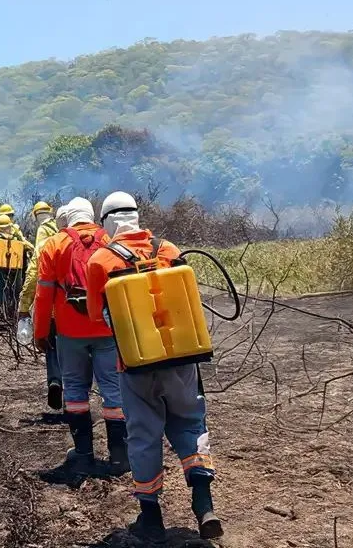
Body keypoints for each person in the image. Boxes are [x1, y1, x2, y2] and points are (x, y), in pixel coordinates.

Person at [85, 191, 222, 541]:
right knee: (190, 425)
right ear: (136, 215)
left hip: (135, 366)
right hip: (181, 361)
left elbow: (95, 317)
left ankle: (151, 518)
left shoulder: (101, 260)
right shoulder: (169, 250)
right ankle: (205, 507)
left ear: (107, 223)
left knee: (144, 437)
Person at [32, 197, 128, 474]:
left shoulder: (54, 244)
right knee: (113, 390)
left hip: (69, 331)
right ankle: (119, 457)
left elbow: (44, 293)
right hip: (108, 329)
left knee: (74, 391)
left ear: (67, 218)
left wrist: (41, 332)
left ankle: (84, 455)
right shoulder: (111, 239)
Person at [17, 201, 64, 410]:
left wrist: (24, 304)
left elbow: (35, 268)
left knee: (52, 345)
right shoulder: (69, 231)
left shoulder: (44, 234)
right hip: (81, 306)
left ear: (36, 216)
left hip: (55, 305)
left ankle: (55, 380)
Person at [0, 214, 34, 320]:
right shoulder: (19, 241)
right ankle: (14, 313)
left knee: (0, 291)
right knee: (16, 291)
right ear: (10, 225)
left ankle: (3, 313)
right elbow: (32, 248)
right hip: (16, 270)